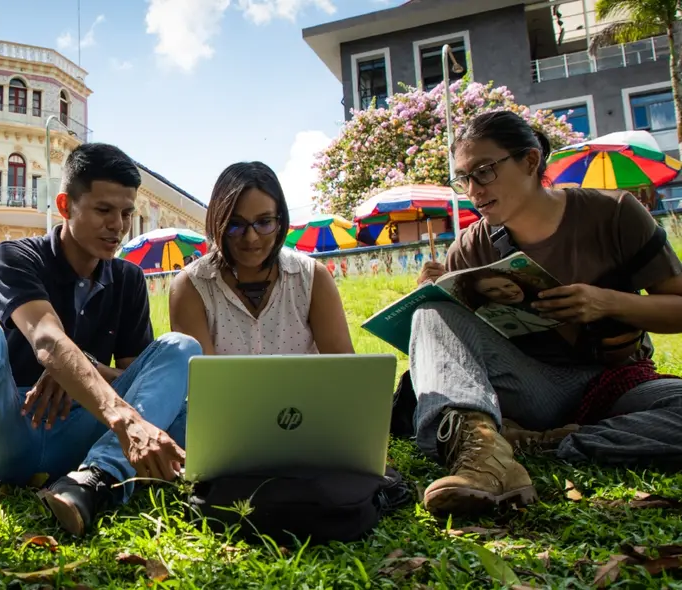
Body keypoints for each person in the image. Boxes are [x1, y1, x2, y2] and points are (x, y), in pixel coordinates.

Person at [0, 142, 200, 570]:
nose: (118, 226)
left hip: (77, 436)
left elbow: (137, 381)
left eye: (126, 213)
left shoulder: (128, 279)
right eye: (103, 210)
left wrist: (80, 367)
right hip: (8, 425)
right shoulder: (15, 257)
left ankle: (96, 479)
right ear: (65, 205)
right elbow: (47, 339)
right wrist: (78, 374)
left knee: (182, 348)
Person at [412, 110, 682, 518]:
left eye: (484, 171)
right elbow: (450, 352)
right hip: (526, 387)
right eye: (463, 178)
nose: (473, 190)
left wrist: (608, 302)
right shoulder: (469, 248)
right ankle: (483, 457)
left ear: (530, 161)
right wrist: (428, 298)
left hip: (618, 385)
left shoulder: (615, 215)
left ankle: (544, 443)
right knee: (432, 311)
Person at [169, 161, 354, 356]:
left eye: (264, 222)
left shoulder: (312, 279)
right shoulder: (191, 287)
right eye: (235, 224)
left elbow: (346, 371)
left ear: (281, 222)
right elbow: (203, 381)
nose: (251, 237)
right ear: (217, 222)